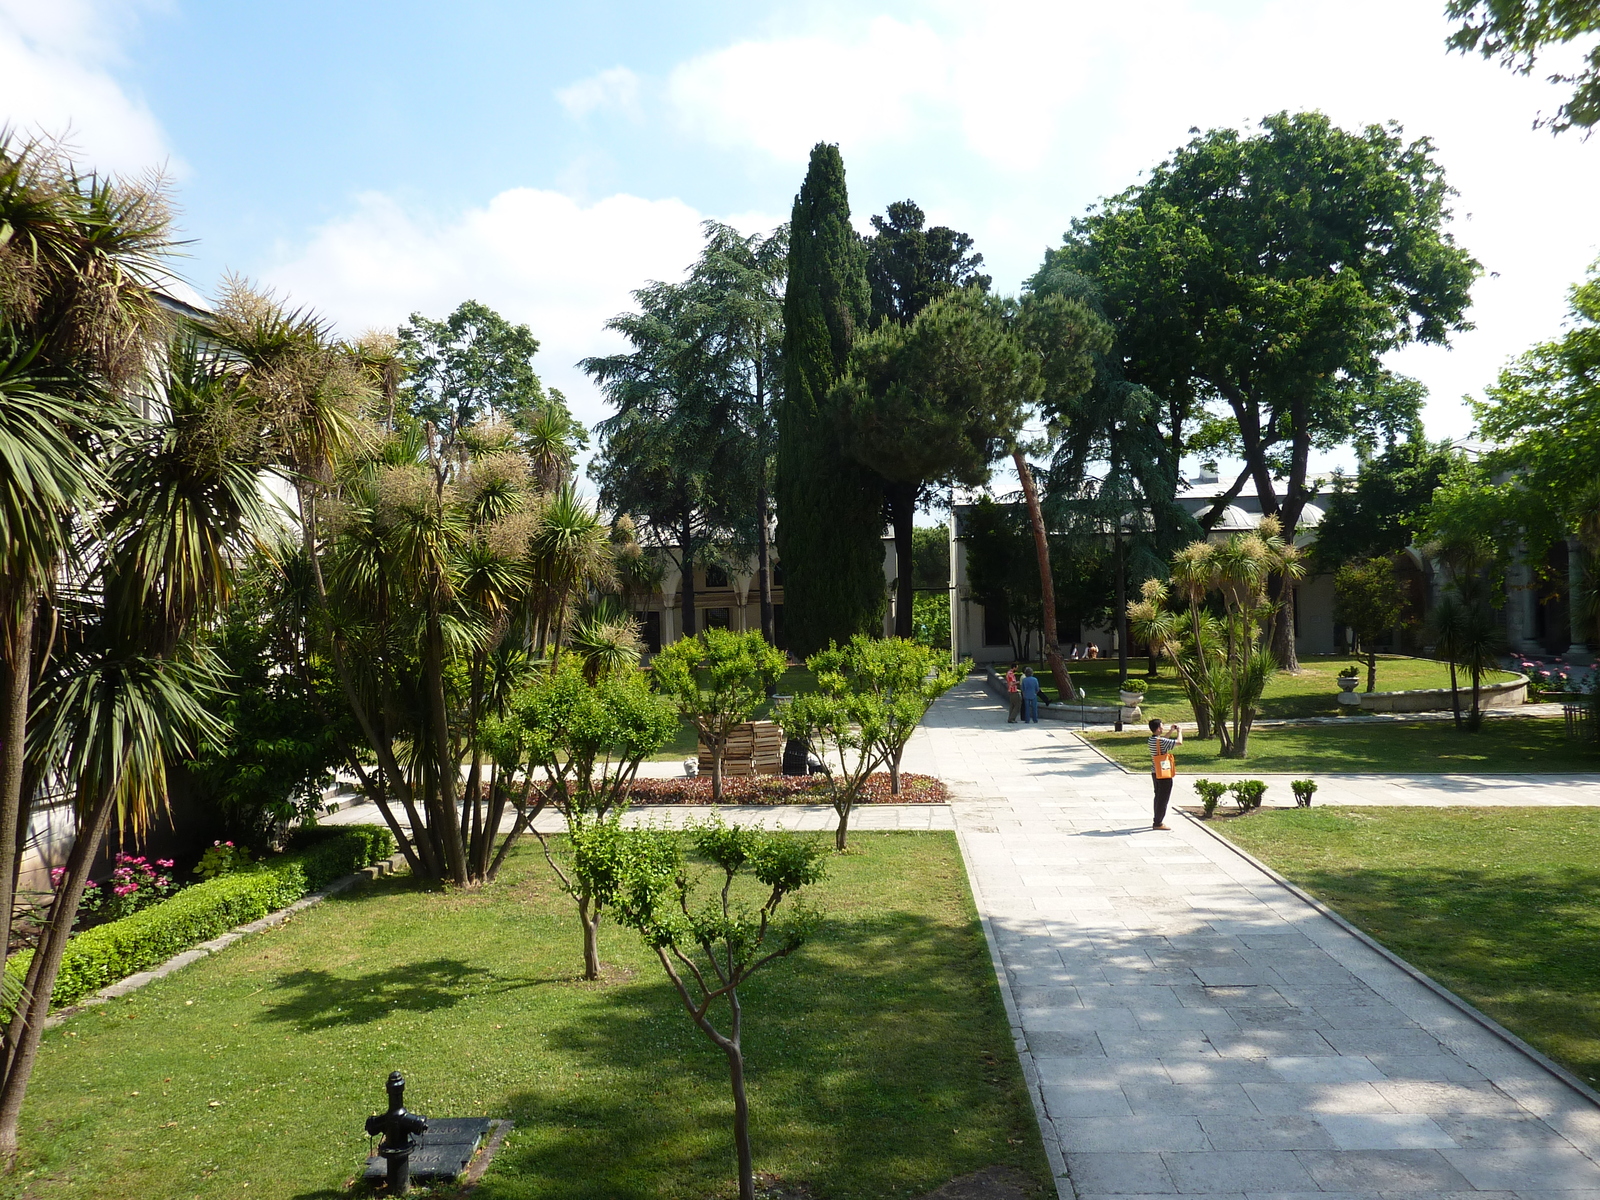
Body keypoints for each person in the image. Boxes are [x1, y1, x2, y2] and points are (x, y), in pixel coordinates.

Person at [1147, 717, 1182, 830]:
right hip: (1164, 773)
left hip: (1155, 771)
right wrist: (1179, 732)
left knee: (1158, 796)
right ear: (1158, 729)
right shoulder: (1160, 741)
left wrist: (1171, 731)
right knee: (1163, 798)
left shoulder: (1152, 740)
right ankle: (1158, 822)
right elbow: (1179, 742)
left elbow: (1162, 741)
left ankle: (1157, 819)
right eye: (1162, 727)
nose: (1163, 728)